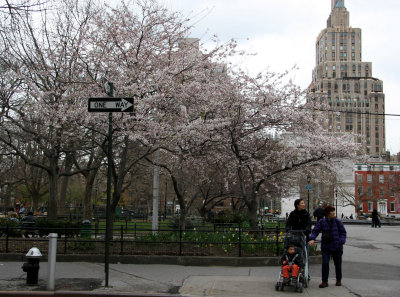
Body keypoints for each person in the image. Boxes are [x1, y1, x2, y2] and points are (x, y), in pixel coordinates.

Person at [309, 205, 347, 288]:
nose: (333, 213)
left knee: (338, 264)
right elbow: (316, 230)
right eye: (331, 211)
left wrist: (341, 241)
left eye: (334, 211)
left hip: (337, 246)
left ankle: (338, 279)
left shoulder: (337, 221)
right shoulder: (322, 222)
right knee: (325, 263)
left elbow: (343, 232)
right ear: (327, 213)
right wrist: (312, 238)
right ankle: (324, 281)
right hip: (326, 246)